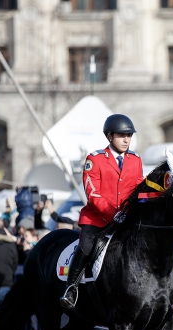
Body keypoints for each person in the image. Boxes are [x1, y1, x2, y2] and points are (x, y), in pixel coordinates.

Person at [59, 114, 144, 309]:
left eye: (129, 135)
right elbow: (93, 193)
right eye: (122, 135)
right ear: (109, 136)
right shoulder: (95, 159)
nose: (126, 140)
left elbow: (139, 189)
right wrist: (114, 214)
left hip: (127, 219)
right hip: (98, 220)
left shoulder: (135, 160)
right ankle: (71, 288)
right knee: (86, 247)